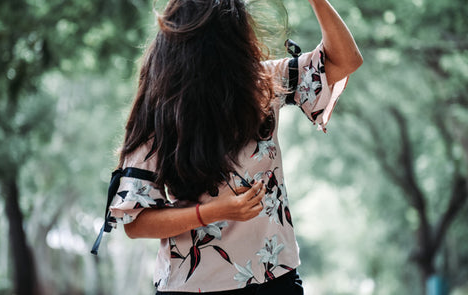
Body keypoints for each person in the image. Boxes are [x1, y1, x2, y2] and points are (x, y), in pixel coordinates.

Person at [103, 0, 362, 294]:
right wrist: (213, 212)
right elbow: (136, 223)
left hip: (274, 280)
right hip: (190, 287)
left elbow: (346, 60)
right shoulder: (158, 111)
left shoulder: (264, 82)